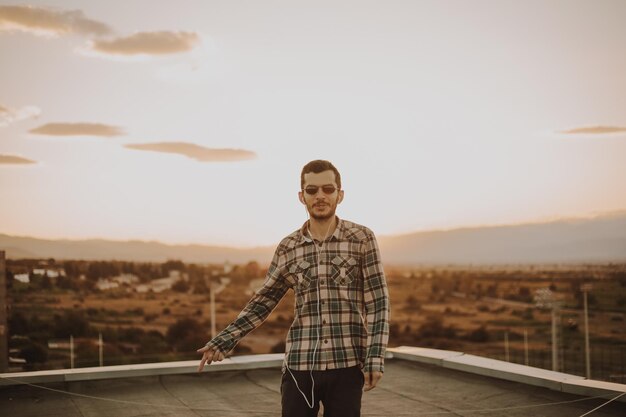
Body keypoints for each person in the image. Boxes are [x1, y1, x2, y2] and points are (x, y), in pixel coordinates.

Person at [197, 159, 390, 417]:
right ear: (302, 197)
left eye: (328, 189)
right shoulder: (288, 247)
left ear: (340, 195)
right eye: (312, 190)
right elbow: (262, 302)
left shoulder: (362, 239)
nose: (320, 196)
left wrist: (375, 357)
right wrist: (224, 340)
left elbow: (378, 303)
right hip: (300, 365)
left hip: (347, 364)